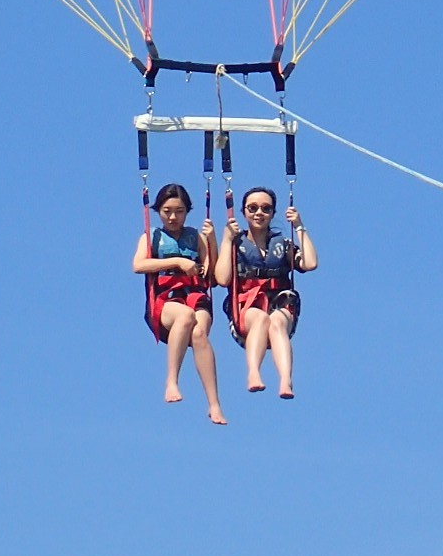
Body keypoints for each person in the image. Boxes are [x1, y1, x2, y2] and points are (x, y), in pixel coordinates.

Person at [132, 182, 226, 424]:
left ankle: (214, 404)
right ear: (158, 211)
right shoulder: (151, 236)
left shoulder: (196, 237)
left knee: (200, 334)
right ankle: (172, 380)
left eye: (179, 211)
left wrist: (212, 240)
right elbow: (139, 265)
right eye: (167, 211)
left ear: (187, 211)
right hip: (165, 300)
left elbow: (213, 276)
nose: (173, 217)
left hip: (195, 294)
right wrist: (177, 262)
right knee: (185, 316)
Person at [215, 186, 318, 398]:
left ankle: (285, 380)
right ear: (243, 212)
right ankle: (253, 373)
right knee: (261, 319)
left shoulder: (282, 244)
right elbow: (222, 278)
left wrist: (299, 226)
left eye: (265, 208)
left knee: (277, 322)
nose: (258, 213)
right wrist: (226, 240)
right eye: (252, 208)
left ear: (272, 213)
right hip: (246, 306)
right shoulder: (235, 244)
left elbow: (310, 263)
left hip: (279, 301)